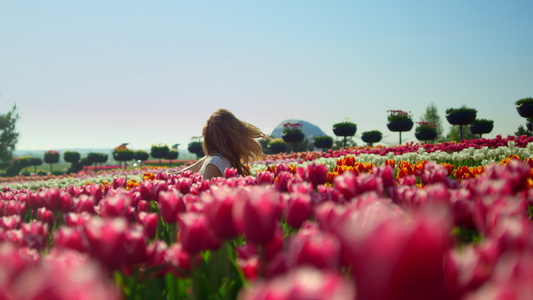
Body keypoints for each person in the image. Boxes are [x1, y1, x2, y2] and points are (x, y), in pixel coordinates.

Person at [175, 109, 269, 179]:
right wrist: (163, 176)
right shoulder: (216, 158)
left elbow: (208, 196)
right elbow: (183, 173)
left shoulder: (214, 162)